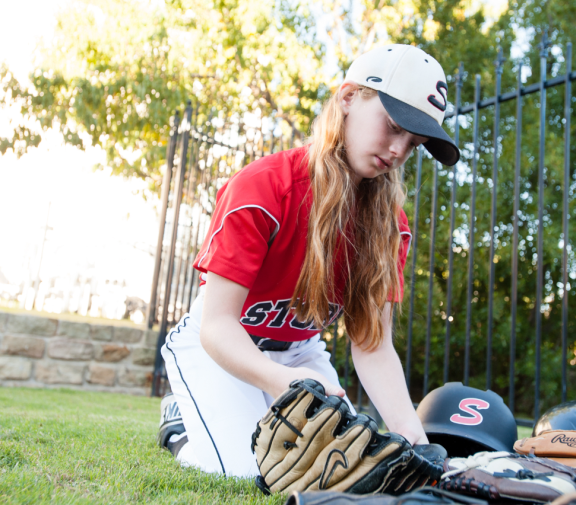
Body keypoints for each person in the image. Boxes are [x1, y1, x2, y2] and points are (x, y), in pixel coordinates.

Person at [157, 44, 460, 478]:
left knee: (338, 472)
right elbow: (218, 325)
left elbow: (372, 344)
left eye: (413, 143)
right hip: (220, 348)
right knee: (253, 473)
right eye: (393, 126)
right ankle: (181, 428)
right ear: (349, 97)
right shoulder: (261, 189)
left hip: (299, 354)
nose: (398, 151)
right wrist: (285, 386)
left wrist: (413, 437)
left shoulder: (392, 226)